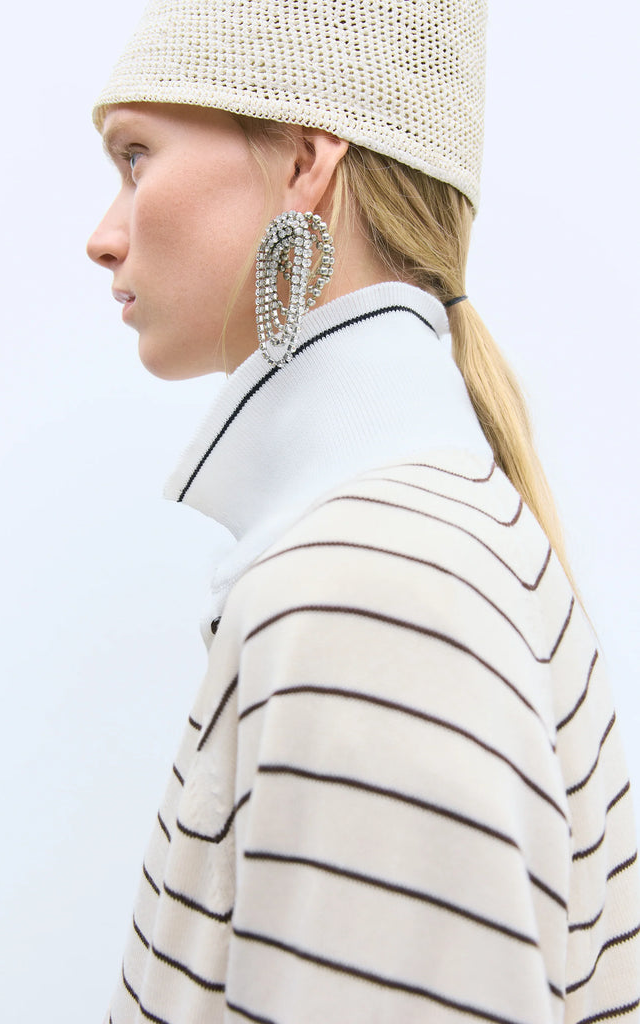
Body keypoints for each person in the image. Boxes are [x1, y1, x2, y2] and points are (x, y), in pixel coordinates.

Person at [87, 2, 640, 1022]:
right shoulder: (404, 548)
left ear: (304, 163)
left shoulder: (370, 587)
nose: (102, 237)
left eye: (135, 157)